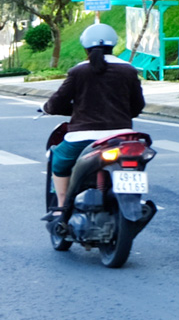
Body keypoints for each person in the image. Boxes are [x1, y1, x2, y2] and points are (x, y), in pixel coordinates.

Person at [44, 22, 146, 218]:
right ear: (113, 45)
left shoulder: (78, 71)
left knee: (58, 162)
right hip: (123, 138)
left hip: (81, 138)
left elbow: (56, 103)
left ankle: (62, 207)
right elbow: (137, 106)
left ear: (85, 47)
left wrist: (50, 108)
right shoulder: (129, 70)